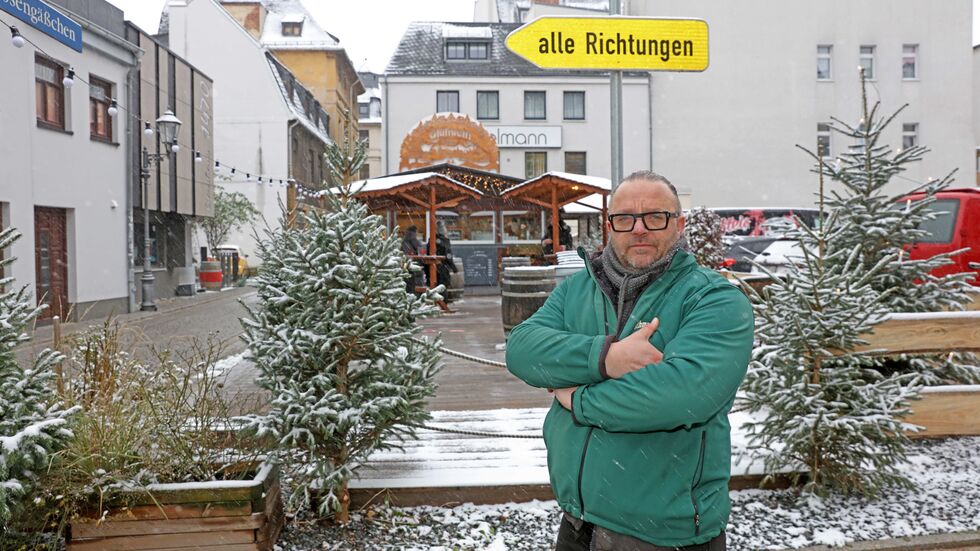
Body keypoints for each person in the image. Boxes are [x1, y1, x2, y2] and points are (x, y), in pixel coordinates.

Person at [506, 171, 754, 551]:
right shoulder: (577, 289)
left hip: (664, 534)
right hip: (577, 521)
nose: (639, 229)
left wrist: (578, 398)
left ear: (679, 225)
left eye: (655, 217)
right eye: (625, 218)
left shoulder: (714, 299)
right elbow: (522, 350)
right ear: (610, 226)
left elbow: (683, 395)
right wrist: (607, 358)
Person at [401, 225, 426, 292]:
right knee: (417, 286)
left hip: (406, 267)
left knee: (408, 286)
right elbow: (422, 254)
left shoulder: (403, 242)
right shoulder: (417, 242)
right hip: (417, 267)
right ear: (415, 232)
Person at [434, 221, 457, 291]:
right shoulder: (445, 241)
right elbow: (448, 256)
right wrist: (454, 268)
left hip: (433, 269)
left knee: (434, 288)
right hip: (442, 269)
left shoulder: (432, 240)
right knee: (443, 288)